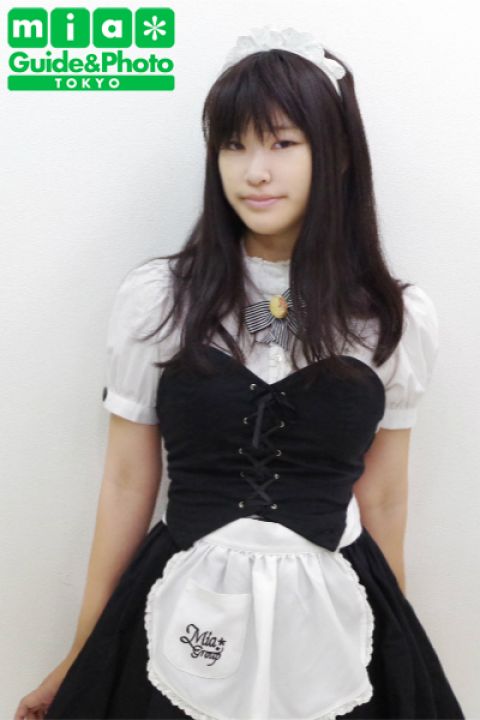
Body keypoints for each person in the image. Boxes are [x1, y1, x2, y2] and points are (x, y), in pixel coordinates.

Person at [15, 25, 464, 720]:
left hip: (335, 618)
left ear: (338, 154)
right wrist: (81, 651)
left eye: (282, 143)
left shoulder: (390, 317)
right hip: (178, 606)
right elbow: (128, 480)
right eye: (234, 144)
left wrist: (396, 645)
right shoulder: (159, 300)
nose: (255, 171)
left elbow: (385, 497)